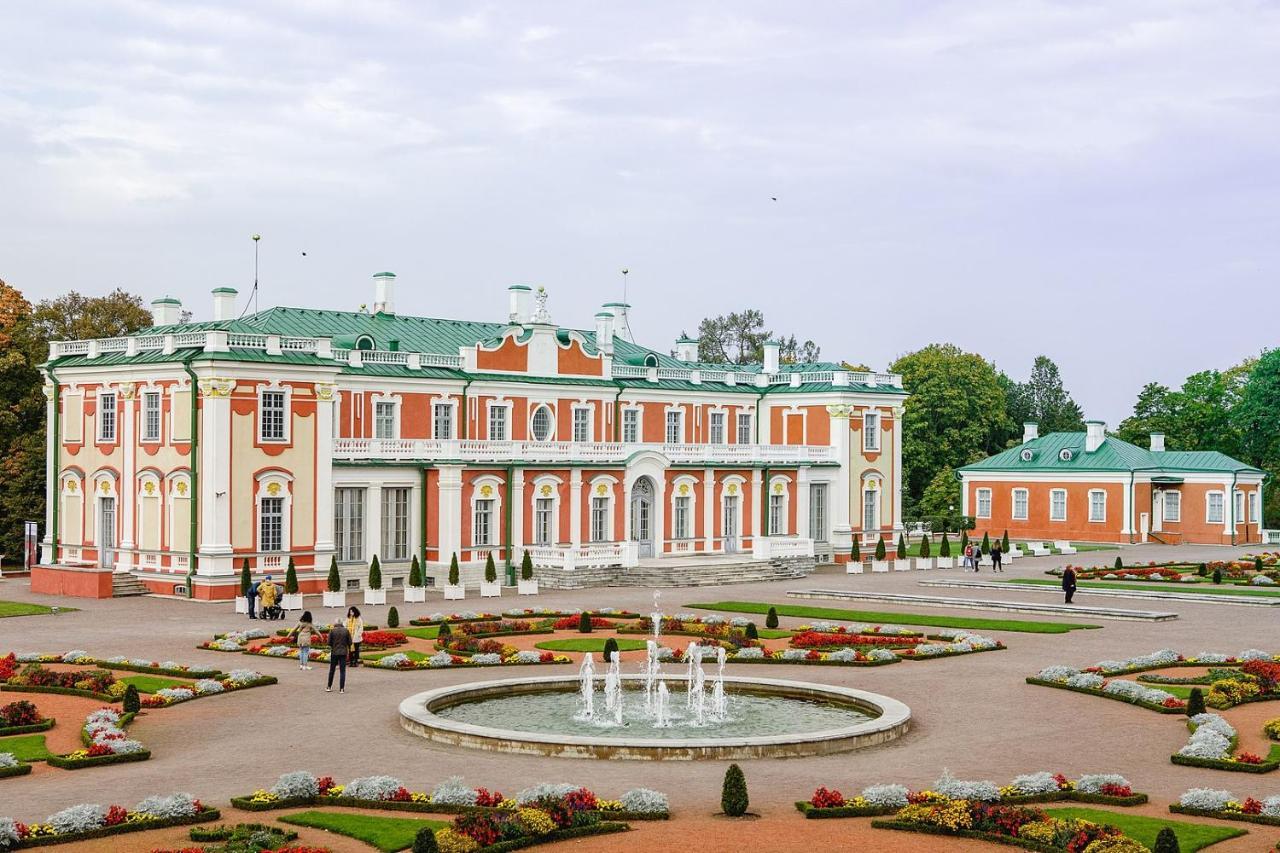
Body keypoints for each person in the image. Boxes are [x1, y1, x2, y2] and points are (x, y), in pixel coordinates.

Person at [326, 620, 351, 693]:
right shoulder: (346, 631)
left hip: (334, 652)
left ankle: (329, 686)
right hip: (343, 652)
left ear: (336, 623)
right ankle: (342, 688)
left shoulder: (332, 631)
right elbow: (350, 642)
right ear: (342, 624)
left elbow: (328, 642)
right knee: (342, 671)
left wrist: (333, 645)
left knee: (332, 670)